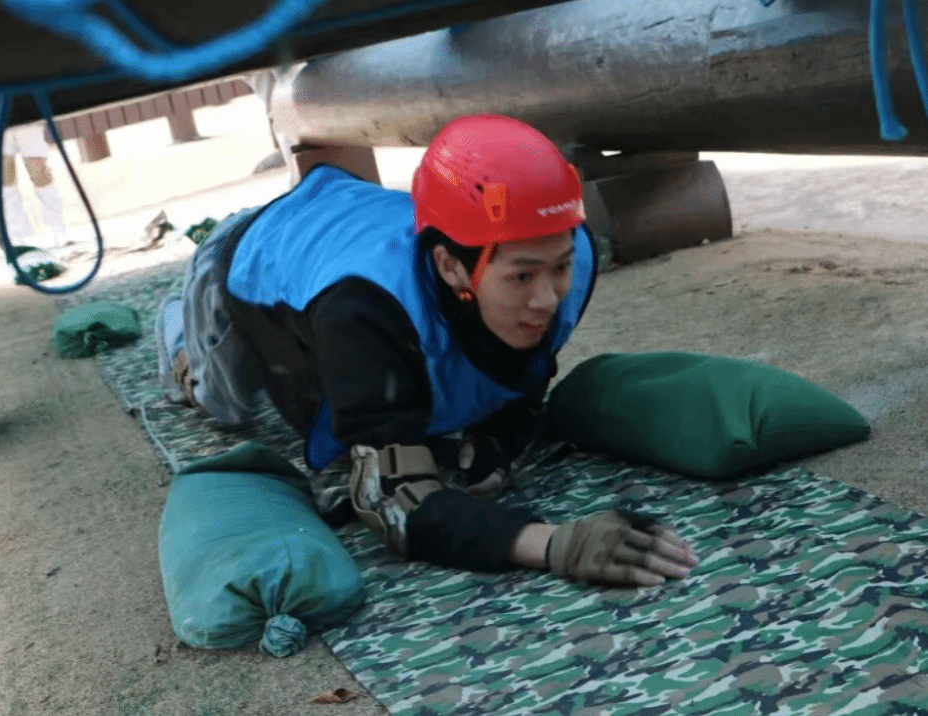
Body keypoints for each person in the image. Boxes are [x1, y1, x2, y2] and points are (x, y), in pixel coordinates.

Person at [155, 114, 699, 587]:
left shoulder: (570, 256)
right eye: (522, 276)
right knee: (220, 400)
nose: (547, 299)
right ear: (450, 266)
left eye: (558, 267)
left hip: (357, 216)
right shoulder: (363, 313)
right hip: (251, 253)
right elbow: (394, 505)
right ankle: (176, 328)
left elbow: (525, 374)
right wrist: (556, 544)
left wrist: (498, 438)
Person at [0, 123, 69, 248]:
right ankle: (16, 235)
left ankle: (58, 227)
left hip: (27, 119)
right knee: (5, 173)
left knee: (39, 169)